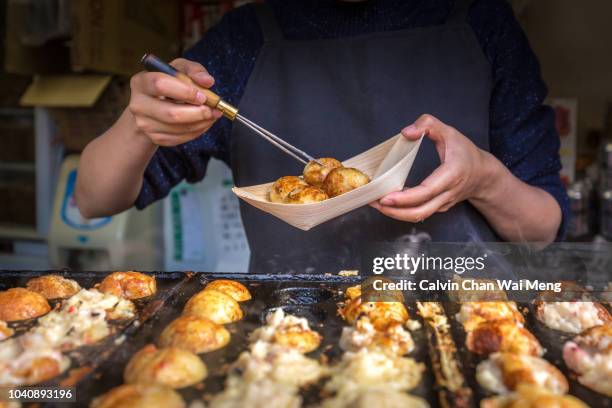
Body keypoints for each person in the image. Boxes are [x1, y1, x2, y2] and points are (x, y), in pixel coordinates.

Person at [76, 0, 568, 274]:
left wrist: (484, 180)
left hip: (462, 326)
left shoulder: (482, 23)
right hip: (291, 334)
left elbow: (543, 231)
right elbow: (93, 199)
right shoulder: (245, 39)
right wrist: (139, 123)